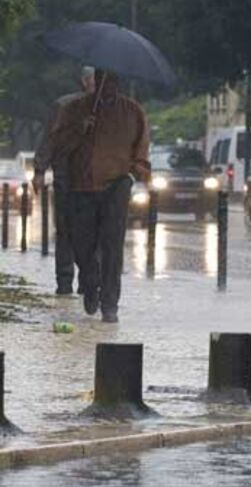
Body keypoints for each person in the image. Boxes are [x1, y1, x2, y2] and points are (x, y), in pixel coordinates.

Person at [49, 70, 150, 323]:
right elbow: (57, 146)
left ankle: (110, 303)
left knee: (112, 245)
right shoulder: (74, 109)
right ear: (95, 80)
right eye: (105, 79)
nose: (109, 85)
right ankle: (90, 280)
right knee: (82, 244)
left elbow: (142, 147)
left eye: (115, 80)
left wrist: (138, 170)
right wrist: (79, 130)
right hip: (81, 186)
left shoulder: (133, 111)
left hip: (117, 185)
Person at [33, 66, 96, 295]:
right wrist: (39, 170)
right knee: (66, 230)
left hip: (96, 180)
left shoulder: (111, 109)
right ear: (84, 81)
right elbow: (50, 138)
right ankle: (65, 282)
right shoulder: (65, 106)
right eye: (92, 79)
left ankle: (89, 282)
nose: (95, 84)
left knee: (94, 232)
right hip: (66, 176)